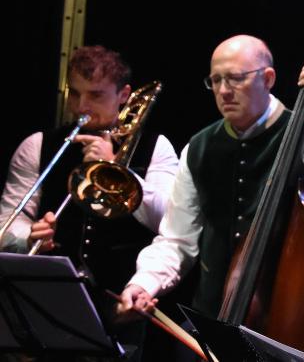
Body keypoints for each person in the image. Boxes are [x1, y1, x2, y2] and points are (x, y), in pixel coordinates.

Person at [117, 34, 304, 320]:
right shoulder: (198, 148)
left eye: (235, 78)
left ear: (268, 78)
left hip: (285, 319)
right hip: (210, 321)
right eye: (216, 80)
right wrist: (143, 283)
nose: (224, 90)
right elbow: (176, 240)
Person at [0, 45, 179, 359]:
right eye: (74, 94)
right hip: (49, 300)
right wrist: (28, 235)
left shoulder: (156, 147)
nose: (81, 106)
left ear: (124, 95)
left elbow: (169, 220)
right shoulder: (39, 145)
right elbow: (7, 224)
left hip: (121, 305)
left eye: (96, 95)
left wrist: (118, 170)